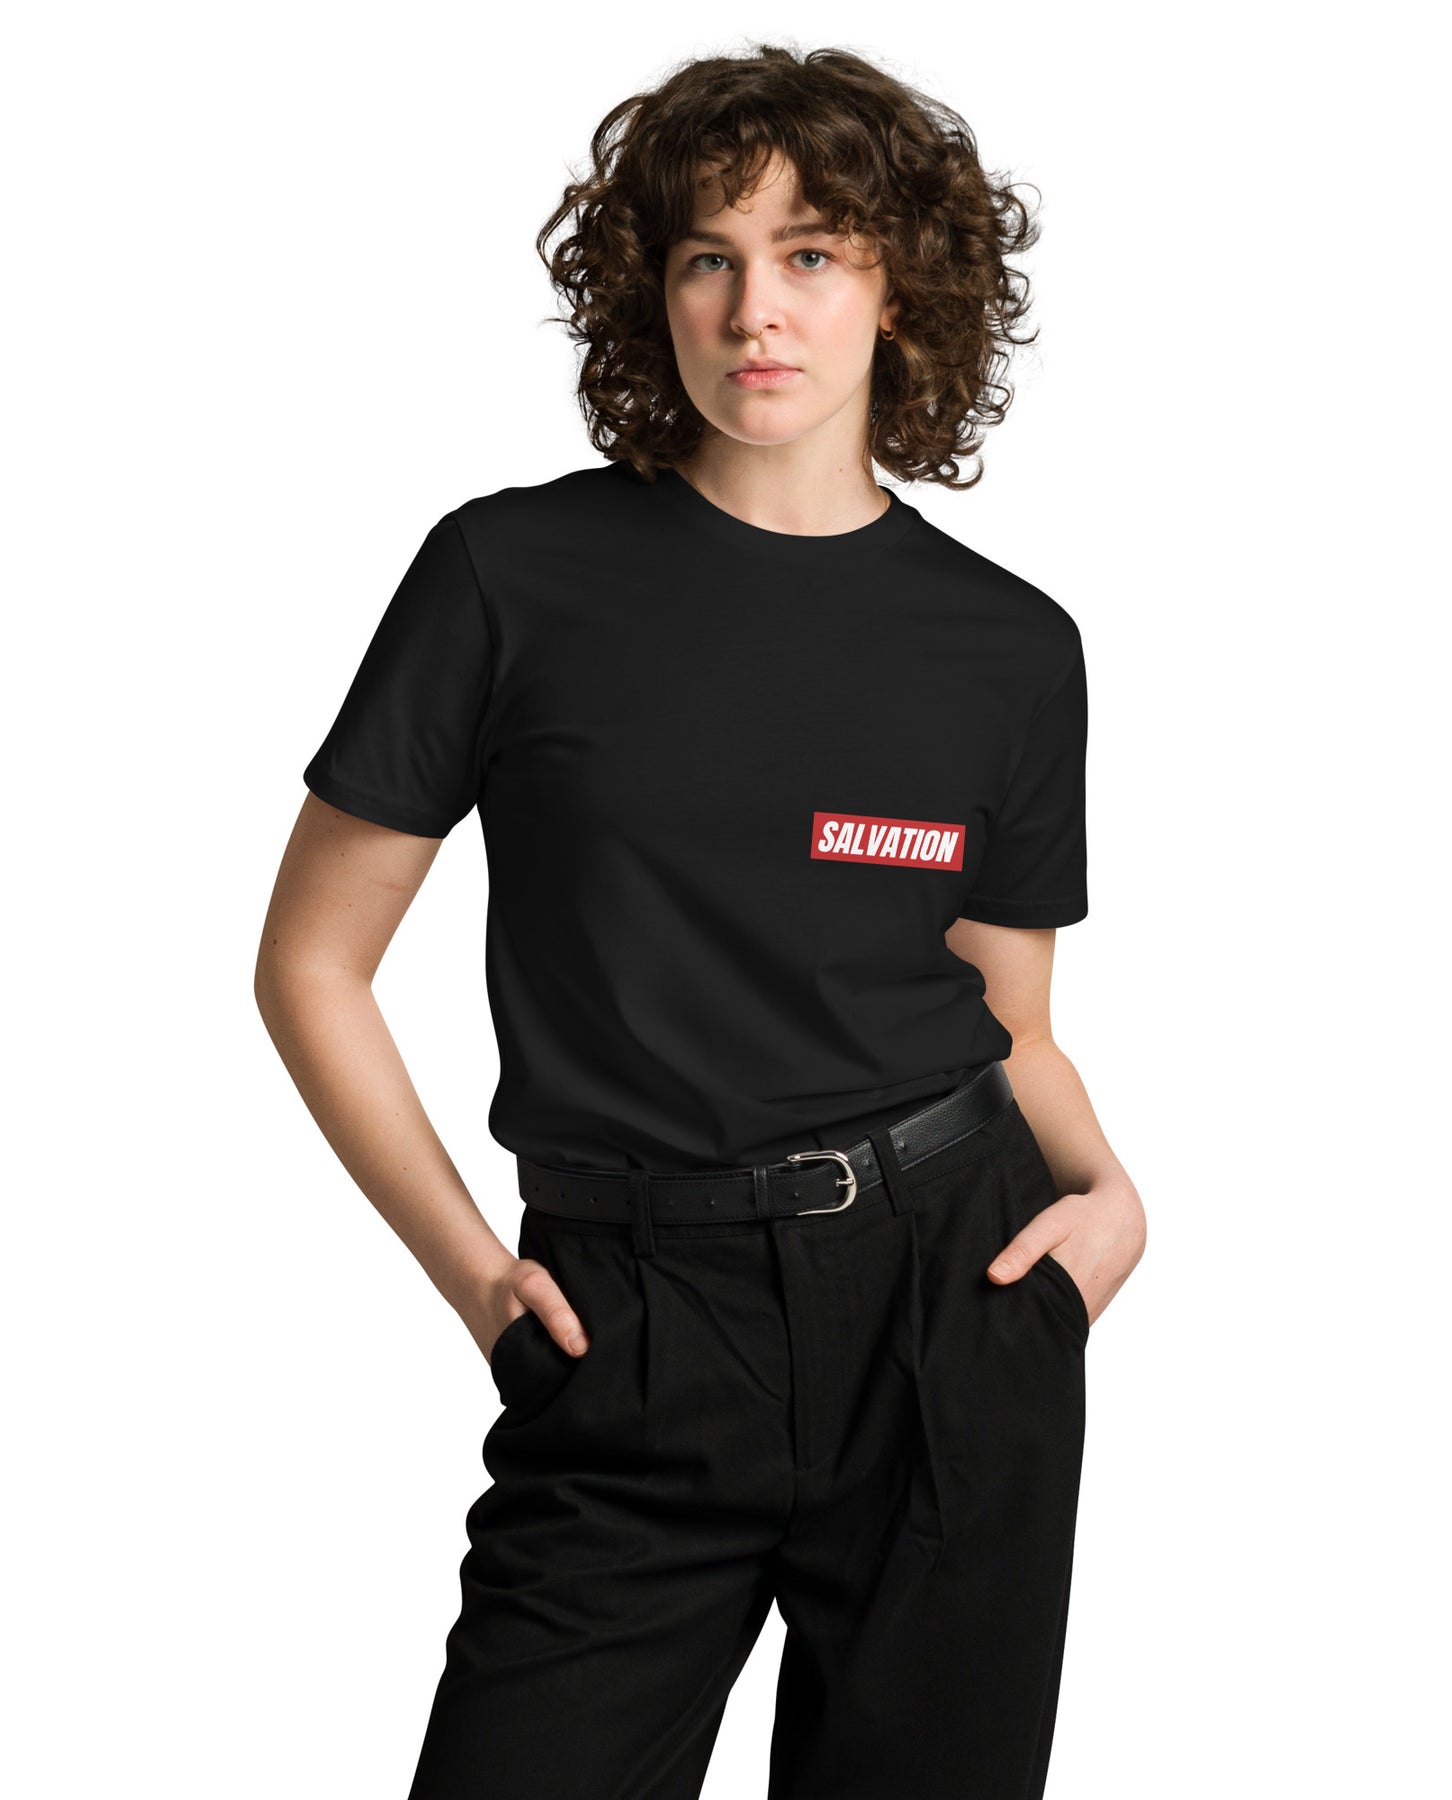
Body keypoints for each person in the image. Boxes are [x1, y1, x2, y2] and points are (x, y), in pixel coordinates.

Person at [255, 41, 1146, 1800]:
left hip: (952, 1307)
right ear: (646, 292)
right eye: (706, 258)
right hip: (632, 1319)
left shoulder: (1012, 649)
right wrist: (479, 1285)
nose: (757, 310)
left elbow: (1010, 1020)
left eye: (812, 253)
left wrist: (1110, 1199)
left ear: (900, 289)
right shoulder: (508, 578)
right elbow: (311, 964)